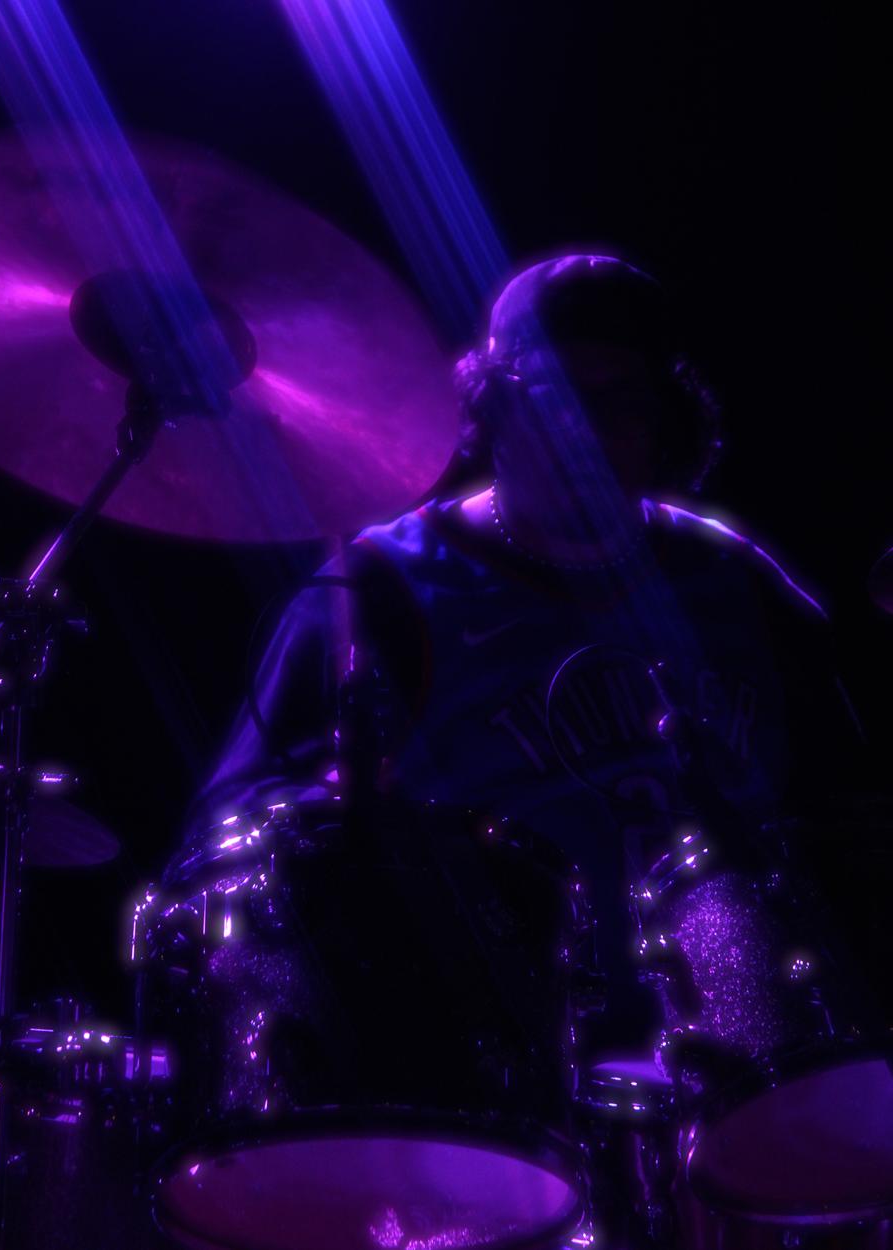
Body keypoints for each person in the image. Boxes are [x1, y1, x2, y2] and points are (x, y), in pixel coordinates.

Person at [175, 252, 862, 1046]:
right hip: (503, 1055)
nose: (585, 432)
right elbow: (229, 844)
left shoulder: (736, 579)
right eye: (552, 399)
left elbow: (852, 811)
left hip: (756, 1045)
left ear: (666, 420)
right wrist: (339, 830)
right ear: (492, 409)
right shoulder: (381, 590)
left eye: (622, 402)